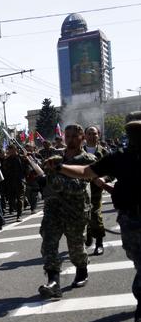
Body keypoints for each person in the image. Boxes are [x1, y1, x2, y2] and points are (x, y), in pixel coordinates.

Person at [46, 115, 141, 322]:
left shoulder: (108, 156)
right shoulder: (120, 157)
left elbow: (87, 172)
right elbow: (86, 173)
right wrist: (59, 168)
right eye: (133, 134)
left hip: (87, 211)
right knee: (140, 263)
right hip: (131, 219)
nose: (135, 138)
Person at [37, 124, 95, 299]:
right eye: (67, 136)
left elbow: (78, 186)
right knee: (48, 244)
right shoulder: (56, 158)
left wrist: (56, 180)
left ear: (82, 138)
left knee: (76, 247)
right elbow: (48, 179)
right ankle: (53, 282)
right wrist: (42, 179)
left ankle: (81, 270)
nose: (69, 139)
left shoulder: (87, 159)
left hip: (75, 209)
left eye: (73, 136)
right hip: (53, 209)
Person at [84, 125, 109, 255]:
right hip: (80, 191)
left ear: (98, 135)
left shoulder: (104, 152)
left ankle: (99, 243)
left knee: (96, 215)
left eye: (94, 134)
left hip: (95, 190)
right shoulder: (78, 151)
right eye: (89, 133)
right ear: (84, 136)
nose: (92, 136)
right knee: (83, 216)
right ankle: (88, 233)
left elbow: (112, 171)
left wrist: (104, 179)